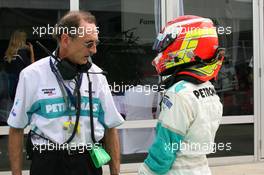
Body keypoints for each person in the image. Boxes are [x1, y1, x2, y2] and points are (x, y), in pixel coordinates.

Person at [8, 11, 124, 175]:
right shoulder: (31, 75)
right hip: (47, 162)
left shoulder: (97, 76)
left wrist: (115, 173)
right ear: (65, 40)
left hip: (87, 162)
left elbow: (111, 127)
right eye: (88, 43)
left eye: (96, 43)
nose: (94, 50)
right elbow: (16, 128)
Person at [138, 15, 224, 175]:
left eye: (165, 45)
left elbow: (164, 149)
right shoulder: (209, 88)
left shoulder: (178, 94)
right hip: (201, 169)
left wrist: (145, 172)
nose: (161, 51)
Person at [4, 30, 35, 100]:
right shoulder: (21, 54)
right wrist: (32, 51)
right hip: (20, 89)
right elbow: (33, 67)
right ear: (22, 40)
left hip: (10, 90)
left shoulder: (6, 55)